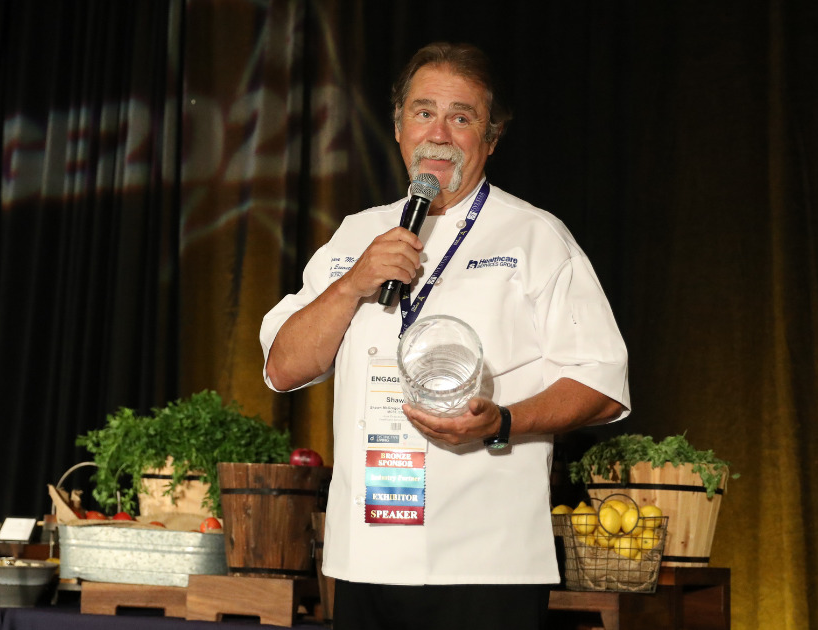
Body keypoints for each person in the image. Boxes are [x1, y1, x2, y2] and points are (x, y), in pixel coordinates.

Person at [259, 42, 629, 630]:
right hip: (365, 557)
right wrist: (354, 282)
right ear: (399, 126)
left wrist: (502, 421)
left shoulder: (534, 237)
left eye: (462, 116)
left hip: (487, 561)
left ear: (492, 136)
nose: (440, 133)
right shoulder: (357, 234)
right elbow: (282, 368)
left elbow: (602, 384)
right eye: (423, 111)